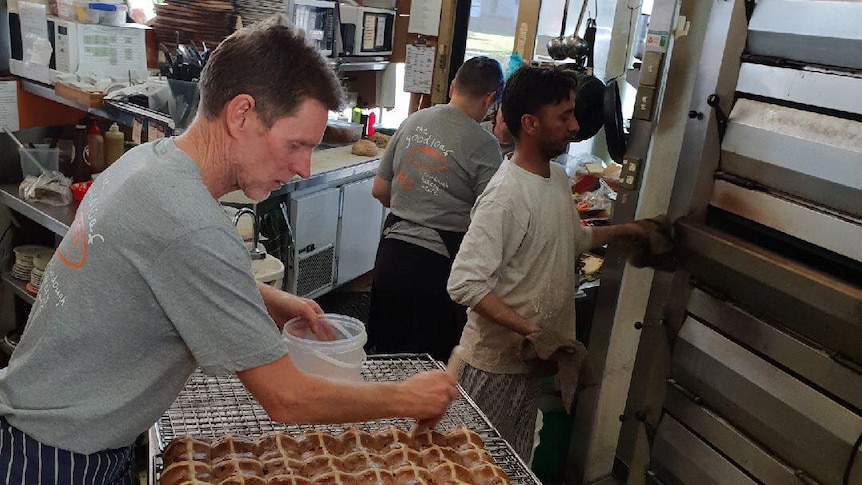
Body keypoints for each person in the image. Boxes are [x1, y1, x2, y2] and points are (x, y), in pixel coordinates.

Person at [0, 16, 458, 483]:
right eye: (295, 144)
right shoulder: (189, 223)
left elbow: (161, 273)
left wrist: (270, 300)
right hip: (53, 457)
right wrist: (407, 396)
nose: (302, 168)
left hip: (50, 426)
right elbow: (286, 398)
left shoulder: (147, 165)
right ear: (241, 114)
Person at [447, 66, 655, 460]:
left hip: (530, 368)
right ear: (529, 123)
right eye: (564, 116)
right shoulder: (505, 196)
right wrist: (533, 331)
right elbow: (465, 284)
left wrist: (632, 230)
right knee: (473, 467)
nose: (575, 126)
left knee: (515, 465)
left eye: (573, 113)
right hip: (494, 369)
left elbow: (574, 238)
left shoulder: (557, 178)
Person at [367, 56, 505, 361]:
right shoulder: (485, 145)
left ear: (454, 86)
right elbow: (492, 219)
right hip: (436, 269)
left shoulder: (414, 120)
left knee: (384, 357)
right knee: (427, 367)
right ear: (490, 99)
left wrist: (413, 201)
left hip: (390, 256)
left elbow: (379, 189)